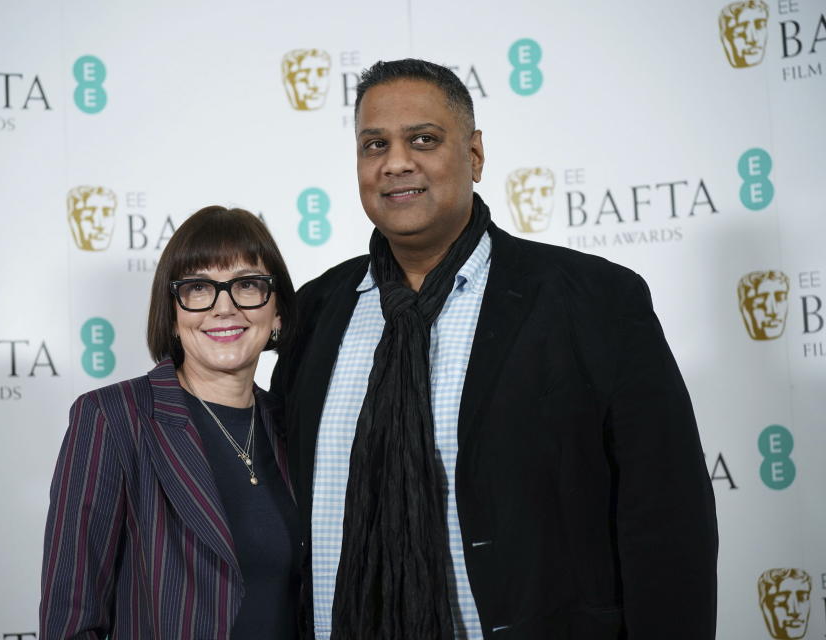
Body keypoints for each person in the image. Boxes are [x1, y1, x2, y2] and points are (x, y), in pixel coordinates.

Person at [271, 59, 718, 639]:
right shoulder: (314, 311)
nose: (396, 162)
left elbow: (667, 523)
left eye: (424, 140)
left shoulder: (594, 301)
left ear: (475, 156)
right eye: (374, 144)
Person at [42, 206, 300, 639]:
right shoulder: (114, 419)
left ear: (276, 312)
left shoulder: (293, 425)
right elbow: (70, 621)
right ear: (174, 315)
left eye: (248, 285)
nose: (224, 307)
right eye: (199, 288)